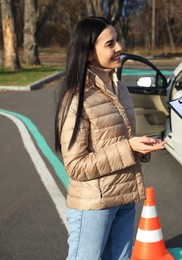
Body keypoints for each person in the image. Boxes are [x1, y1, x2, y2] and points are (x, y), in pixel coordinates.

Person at [54, 16, 166, 260]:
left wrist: (139, 148)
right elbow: (75, 166)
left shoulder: (120, 88)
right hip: (95, 205)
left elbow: (119, 143)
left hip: (125, 197)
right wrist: (128, 148)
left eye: (117, 41)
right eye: (110, 44)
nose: (119, 47)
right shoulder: (76, 98)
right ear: (89, 53)